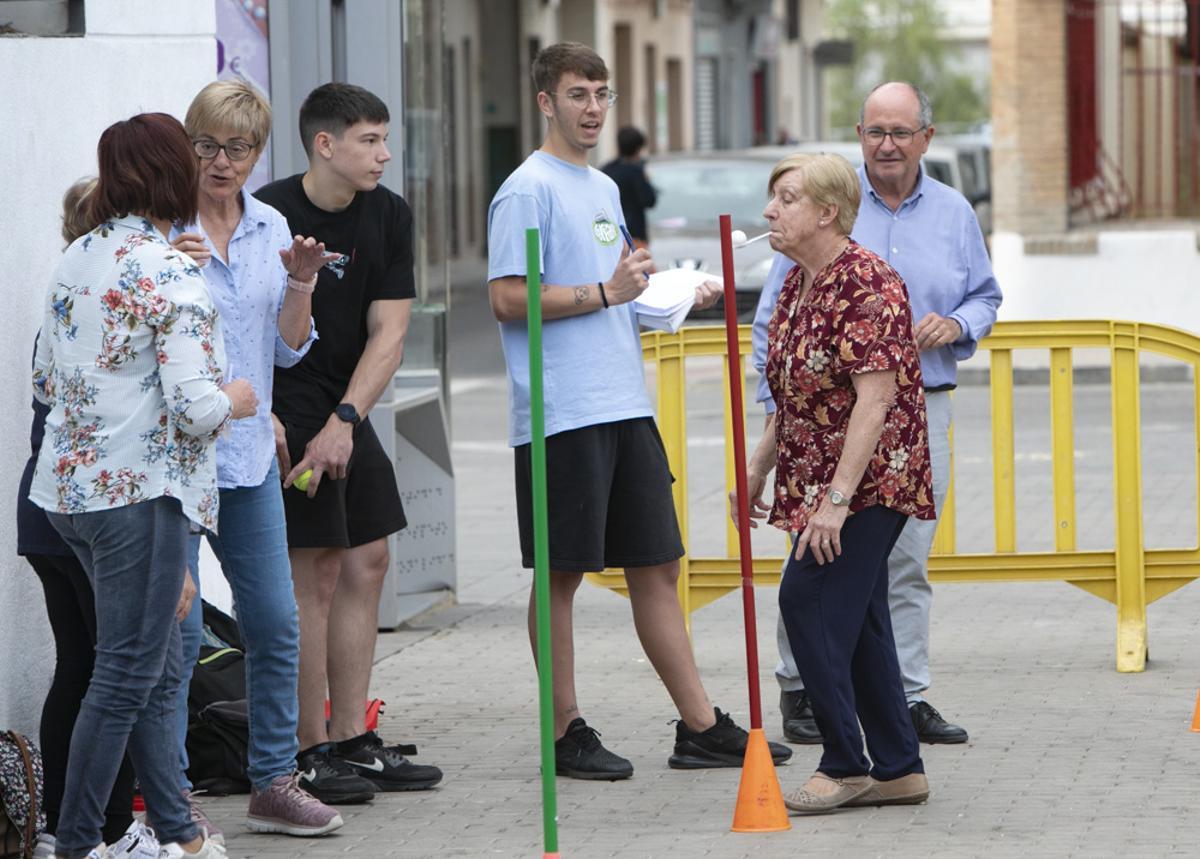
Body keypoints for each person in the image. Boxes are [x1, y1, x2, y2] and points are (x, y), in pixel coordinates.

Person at [486, 41, 790, 780]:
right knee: (560, 573)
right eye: (578, 94)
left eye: (601, 94)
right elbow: (506, 296)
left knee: (659, 562)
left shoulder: (602, 187)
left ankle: (699, 726)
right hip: (563, 411)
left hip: (624, 401)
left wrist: (678, 292)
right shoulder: (528, 189)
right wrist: (608, 295)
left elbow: (620, 288)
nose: (592, 108)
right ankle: (564, 731)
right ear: (545, 102)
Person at [752, 82, 1002, 746]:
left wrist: (955, 323)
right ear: (859, 135)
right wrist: (772, 433)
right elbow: (774, 327)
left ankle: (901, 704)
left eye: (900, 132)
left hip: (913, 416)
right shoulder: (821, 208)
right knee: (815, 566)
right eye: (875, 132)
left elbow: (986, 296)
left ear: (926, 136)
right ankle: (808, 691)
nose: (887, 145)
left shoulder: (951, 213)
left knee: (900, 562)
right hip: (820, 424)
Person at [29, 112, 251, 859]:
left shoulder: (77, 257)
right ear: (173, 174)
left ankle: (177, 833)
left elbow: (43, 376)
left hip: (69, 492)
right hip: (140, 494)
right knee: (126, 673)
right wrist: (241, 399)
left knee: (148, 667)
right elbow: (196, 408)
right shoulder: (169, 271)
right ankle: (82, 842)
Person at [168, 78, 346, 836]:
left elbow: (286, 344)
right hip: (171, 466)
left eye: (237, 147)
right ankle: (169, 793)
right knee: (173, 638)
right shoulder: (161, 228)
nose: (221, 161)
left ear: (256, 152)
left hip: (245, 458)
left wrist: (301, 278)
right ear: (189, 146)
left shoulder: (271, 224)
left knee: (275, 622)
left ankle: (273, 778)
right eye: (206, 144)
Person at [255, 82, 443, 802]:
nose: (384, 154)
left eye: (385, 138)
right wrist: (292, 421)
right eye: (368, 140)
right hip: (283, 400)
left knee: (369, 556)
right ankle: (307, 749)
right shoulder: (270, 214)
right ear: (324, 144)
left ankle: (353, 737)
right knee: (317, 573)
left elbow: (389, 333)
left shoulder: (387, 213)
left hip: (344, 402)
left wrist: (346, 420)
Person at [738, 151, 934, 814]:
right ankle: (900, 765)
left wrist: (836, 504)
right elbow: (794, 394)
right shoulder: (797, 280)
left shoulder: (866, 281)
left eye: (786, 198)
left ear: (827, 211)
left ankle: (846, 761)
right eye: (773, 198)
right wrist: (759, 464)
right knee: (864, 614)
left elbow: (875, 402)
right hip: (819, 474)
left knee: (810, 601)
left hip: (872, 479)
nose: (771, 211)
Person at [19, 178, 143, 859]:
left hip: (44, 509)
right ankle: (109, 827)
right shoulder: (105, 310)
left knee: (81, 663)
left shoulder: (60, 306)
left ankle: (62, 817)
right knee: (116, 672)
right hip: (91, 511)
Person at [601, 126, 656, 250]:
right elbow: (649, 200)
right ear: (638, 148)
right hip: (635, 237)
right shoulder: (636, 171)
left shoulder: (606, 170)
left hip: (609, 235)